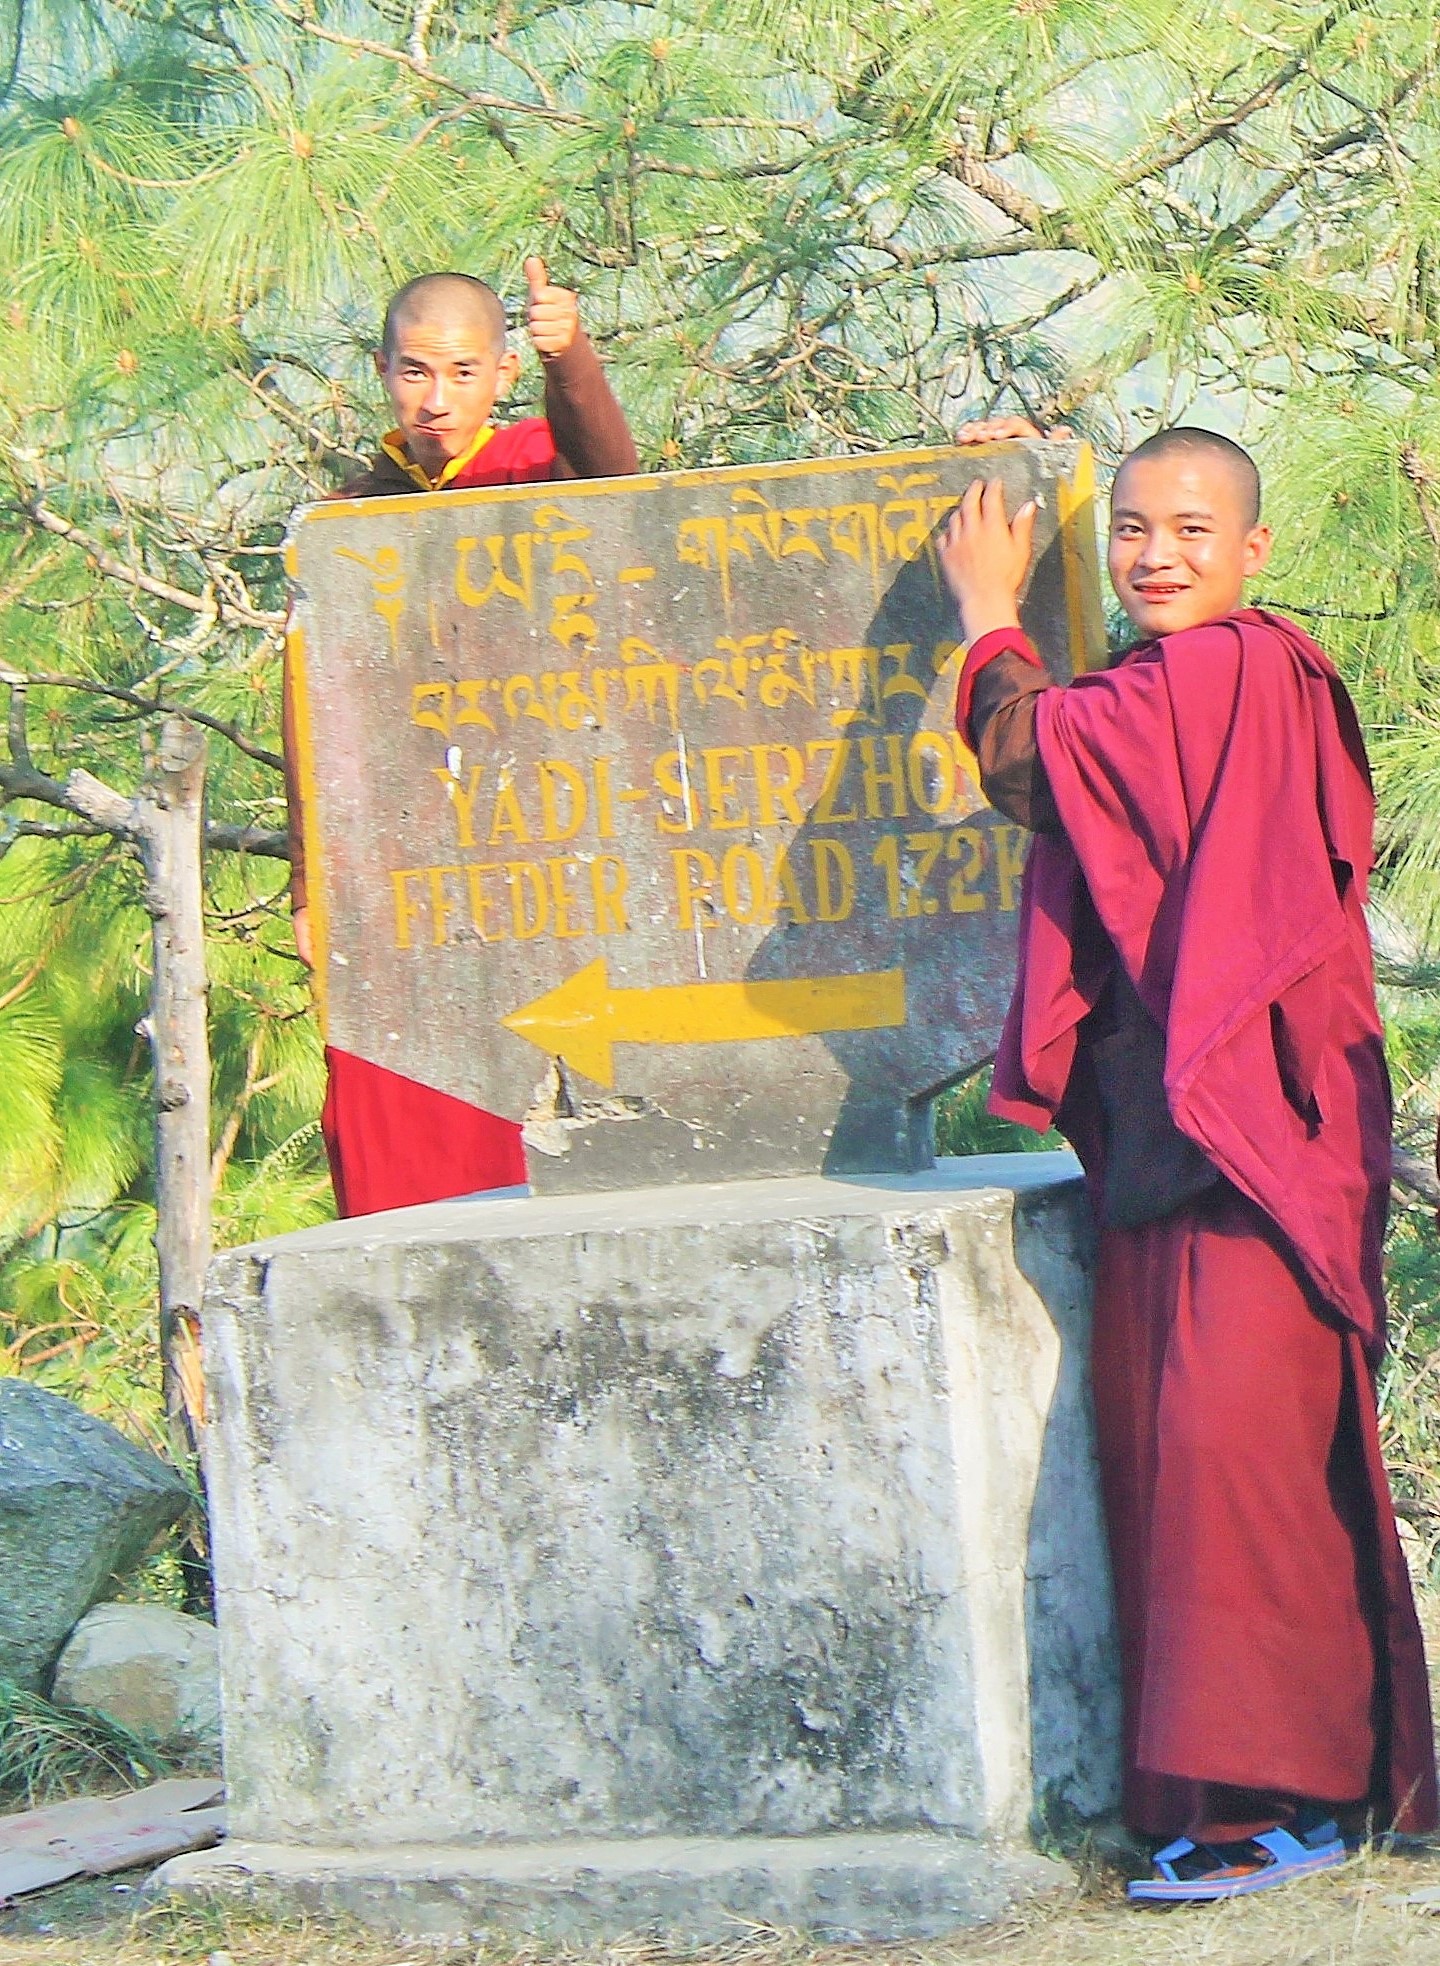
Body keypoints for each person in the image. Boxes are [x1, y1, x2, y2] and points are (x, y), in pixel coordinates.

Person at [939, 417, 1437, 1901]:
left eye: (1190, 532)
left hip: (1244, 1130)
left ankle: (1262, 1805)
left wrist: (983, 613)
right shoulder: (1198, 672)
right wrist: (1052, 472)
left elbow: (1036, 750)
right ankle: (1323, 1784)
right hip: (1199, 1123)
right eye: (1132, 529)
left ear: (1256, 550)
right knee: (1210, 1449)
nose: (1156, 558)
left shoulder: (1234, 668)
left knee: (1235, 1458)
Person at [284, 259, 638, 1218]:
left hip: (535, 848)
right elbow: (313, 712)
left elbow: (611, 480)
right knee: (397, 1108)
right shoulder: (352, 517)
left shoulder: (526, 468)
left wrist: (576, 367)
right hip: (397, 868)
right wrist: (311, 883)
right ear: (381, 369)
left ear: (503, 372)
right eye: (414, 373)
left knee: (534, 1125)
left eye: (462, 374)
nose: (436, 401)